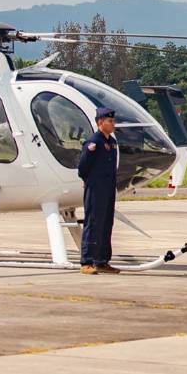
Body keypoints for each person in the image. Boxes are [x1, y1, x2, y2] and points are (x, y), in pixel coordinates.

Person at [77, 107, 120, 275]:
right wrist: (92, 182)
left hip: (108, 188)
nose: (113, 124)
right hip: (95, 189)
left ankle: (102, 261)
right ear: (100, 122)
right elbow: (82, 168)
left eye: (113, 121)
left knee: (106, 223)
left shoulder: (111, 142)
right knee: (93, 224)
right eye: (110, 121)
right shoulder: (93, 143)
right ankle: (86, 261)